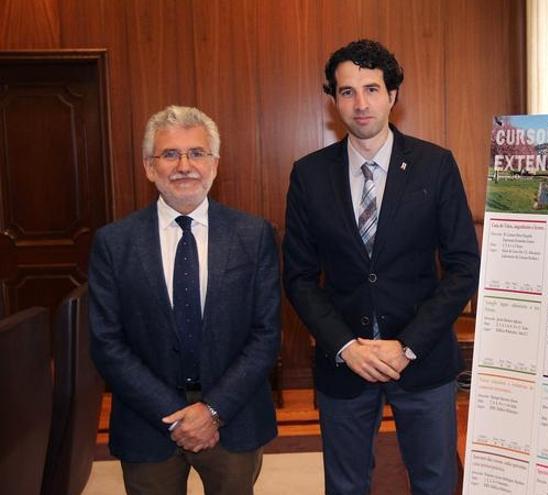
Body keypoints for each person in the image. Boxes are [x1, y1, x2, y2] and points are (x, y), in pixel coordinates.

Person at [283, 39, 480, 494]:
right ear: (333, 101)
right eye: (347, 91)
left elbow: (463, 267)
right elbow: (298, 276)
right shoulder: (309, 175)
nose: (361, 103)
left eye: (371, 88)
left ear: (393, 95)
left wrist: (407, 345)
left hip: (423, 358)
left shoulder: (435, 166)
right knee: (346, 485)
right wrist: (346, 345)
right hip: (344, 362)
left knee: (435, 482)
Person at [89, 105, 280, 495]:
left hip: (234, 417)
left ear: (215, 164)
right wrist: (175, 417)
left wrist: (213, 411)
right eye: (170, 154)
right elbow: (107, 342)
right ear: (149, 166)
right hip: (147, 420)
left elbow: (266, 335)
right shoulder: (114, 242)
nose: (184, 166)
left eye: (196, 153)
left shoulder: (253, 235)